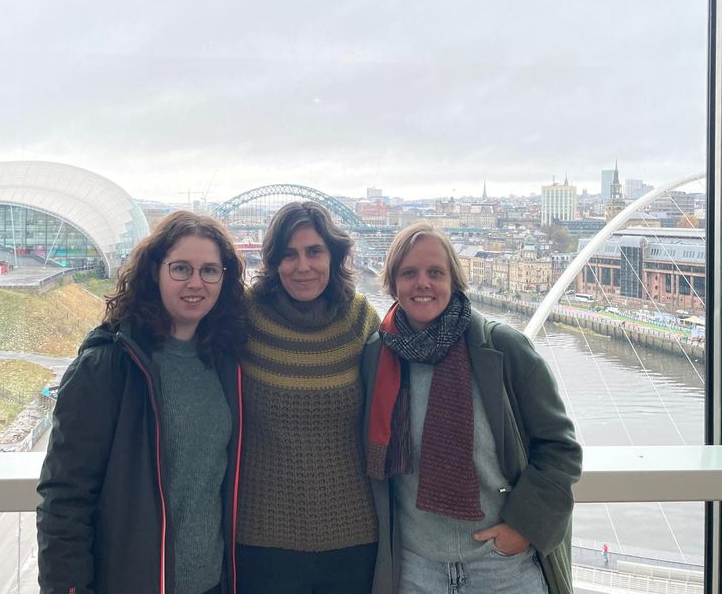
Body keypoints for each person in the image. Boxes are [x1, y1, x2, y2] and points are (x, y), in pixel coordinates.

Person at [364, 222, 582, 594]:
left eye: (436, 272)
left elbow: (560, 449)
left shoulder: (504, 349)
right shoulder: (377, 356)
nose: (423, 283)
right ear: (392, 283)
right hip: (416, 569)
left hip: (502, 568)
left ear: (455, 280)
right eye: (409, 273)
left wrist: (523, 528)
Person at [36, 211, 247, 594]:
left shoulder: (224, 360)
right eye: (181, 268)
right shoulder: (108, 365)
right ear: (155, 271)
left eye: (210, 271)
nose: (195, 283)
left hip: (213, 583)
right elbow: (65, 498)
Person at [236, 201, 381, 593]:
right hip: (260, 536)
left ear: (334, 255)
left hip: (353, 536)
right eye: (289, 254)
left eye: (314, 251)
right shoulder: (243, 318)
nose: (303, 266)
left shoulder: (360, 319)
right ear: (273, 262)